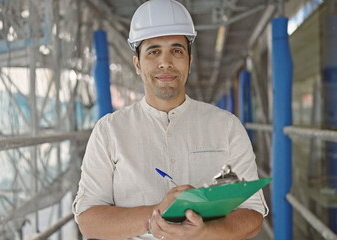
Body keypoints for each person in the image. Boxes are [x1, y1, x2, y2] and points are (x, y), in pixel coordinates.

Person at [72, 0, 268, 239]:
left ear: (190, 61)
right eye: (154, 51)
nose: (165, 62)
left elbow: (253, 216)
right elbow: (88, 220)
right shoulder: (109, 131)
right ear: (137, 64)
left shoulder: (226, 127)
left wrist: (206, 232)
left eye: (176, 51)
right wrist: (155, 214)